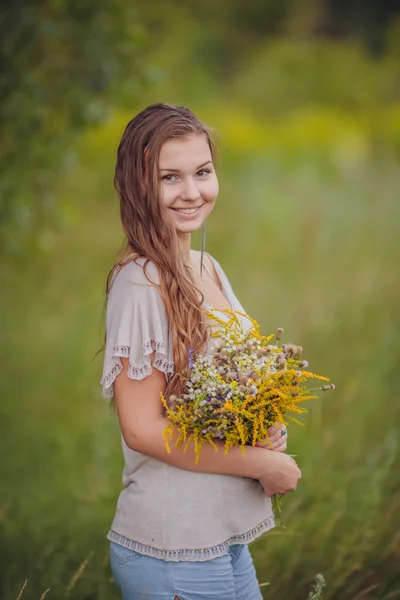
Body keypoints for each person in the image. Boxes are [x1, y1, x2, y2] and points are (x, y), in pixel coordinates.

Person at [100, 103, 301, 600]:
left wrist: (263, 423)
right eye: (170, 177)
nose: (192, 192)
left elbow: (225, 384)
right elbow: (142, 428)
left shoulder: (206, 266)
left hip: (220, 538)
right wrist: (258, 465)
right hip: (172, 546)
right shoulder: (140, 282)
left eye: (202, 172)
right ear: (138, 185)